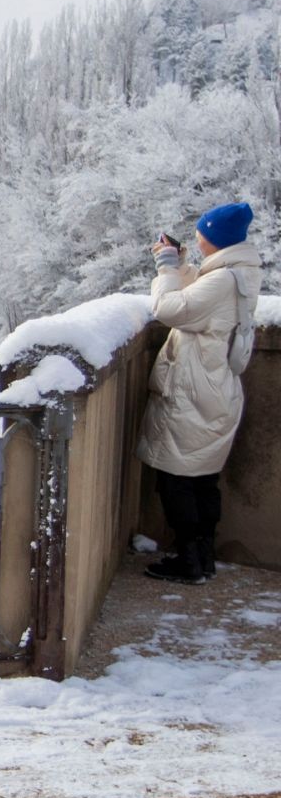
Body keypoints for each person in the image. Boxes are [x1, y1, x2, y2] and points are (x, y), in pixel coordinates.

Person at [138, 202, 261, 585]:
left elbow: (170, 308)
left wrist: (166, 269)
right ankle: (202, 557)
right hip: (216, 388)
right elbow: (201, 297)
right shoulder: (236, 273)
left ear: (217, 239)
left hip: (195, 393)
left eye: (201, 235)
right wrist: (183, 265)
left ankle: (189, 562)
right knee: (202, 479)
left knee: (177, 480)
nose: (197, 238)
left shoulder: (224, 280)